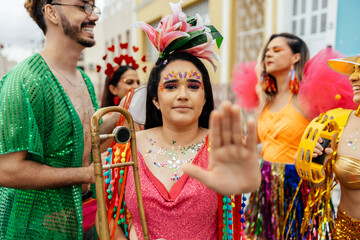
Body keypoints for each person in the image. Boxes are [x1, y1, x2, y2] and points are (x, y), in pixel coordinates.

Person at [96, 2, 261, 239]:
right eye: (171, 86)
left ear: (205, 98)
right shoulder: (123, 152)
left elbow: (247, 225)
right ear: (154, 99)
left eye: (193, 86)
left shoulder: (227, 149)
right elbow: (110, 221)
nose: (183, 94)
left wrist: (251, 193)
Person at [0, 0, 119, 239]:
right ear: (52, 12)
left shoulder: (84, 79)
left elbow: (88, 145)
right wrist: (86, 175)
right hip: (30, 229)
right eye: (83, 6)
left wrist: (123, 114)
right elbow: (6, 170)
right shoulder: (25, 80)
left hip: (76, 221)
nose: (93, 17)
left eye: (94, 8)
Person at [244, 33, 312, 240]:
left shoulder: (307, 97)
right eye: (267, 51)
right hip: (264, 183)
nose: (268, 55)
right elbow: (249, 144)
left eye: (277, 50)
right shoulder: (264, 99)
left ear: (296, 57)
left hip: (297, 186)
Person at [297, 55, 360, 239]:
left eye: (359, 70)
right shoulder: (337, 122)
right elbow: (317, 187)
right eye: (353, 71)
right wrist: (317, 163)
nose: (353, 77)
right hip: (345, 232)